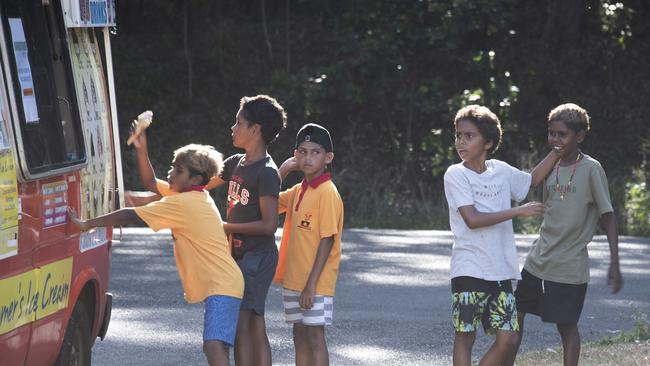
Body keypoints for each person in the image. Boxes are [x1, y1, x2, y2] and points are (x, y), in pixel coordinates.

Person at [68, 129, 244, 366]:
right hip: (224, 283)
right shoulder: (193, 195)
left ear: (196, 179)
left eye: (178, 170)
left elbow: (130, 215)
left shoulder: (183, 203)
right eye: (173, 167)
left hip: (223, 284)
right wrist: (142, 149)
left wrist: (87, 224)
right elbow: (150, 182)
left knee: (214, 346)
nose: (171, 173)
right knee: (214, 346)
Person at [504, 103, 623, 366]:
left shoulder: (592, 169)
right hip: (538, 260)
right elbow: (536, 190)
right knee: (515, 315)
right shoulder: (551, 165)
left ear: (579, 136)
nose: (555, 139)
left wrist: (615, 262)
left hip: (569, 266)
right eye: (551, 133)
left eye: (562, 134)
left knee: (566, 327)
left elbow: (608, 216)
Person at [443, 105, 560, 366]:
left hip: (500, 270)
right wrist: (518, 211)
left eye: (469, 136)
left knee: (508, 339)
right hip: (469, 268)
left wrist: (557, 151)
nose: (461, 141)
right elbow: (472, 220)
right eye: (458, 135)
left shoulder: (501, 170)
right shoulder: (456, 174)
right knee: (465, 336)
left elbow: (530, 182)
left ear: (489, 142)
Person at [204, 95, 286, 366]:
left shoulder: (267, 172)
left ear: (256, 130)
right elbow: (201, 185)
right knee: (252, 325)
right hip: (239, 256)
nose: (233, 128)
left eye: (239, 123)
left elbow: (269, 224)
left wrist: (225, 227)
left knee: (242, 326)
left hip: (258, 258)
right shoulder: (235, 163)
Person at [273, 123, 344, 366]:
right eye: (302, 151)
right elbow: (269, 203)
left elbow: (328, 239)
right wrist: (281, 172)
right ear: (295, 155)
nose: (308, 157)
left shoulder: (327, 192)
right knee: (299, 335)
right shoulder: (297, 190)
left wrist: (311, 285)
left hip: (315, 283)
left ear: (328, 158)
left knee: (315, 335)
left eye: (315, 152)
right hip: (294, 279)